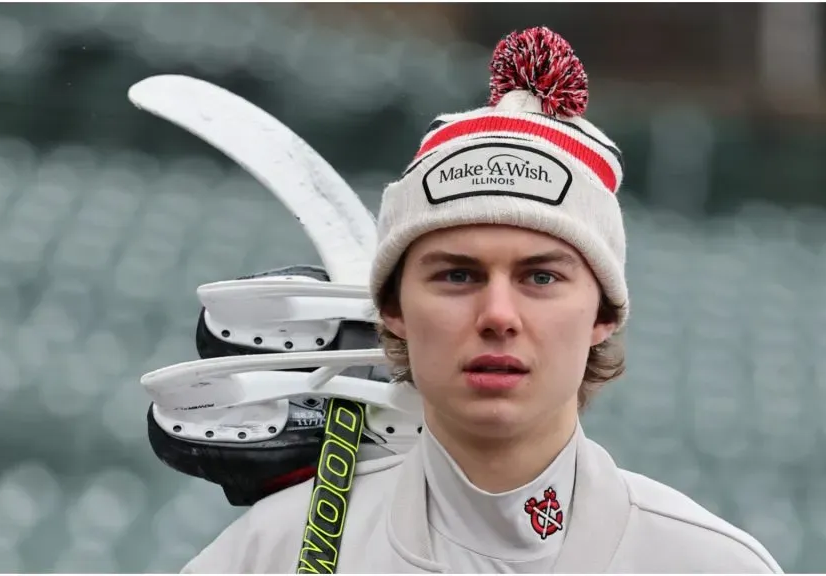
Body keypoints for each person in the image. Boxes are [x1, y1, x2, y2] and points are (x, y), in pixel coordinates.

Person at [181, 26, 782, 574]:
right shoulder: (269, 553)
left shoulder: (708, 564)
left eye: (541, 278)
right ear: (392, 309)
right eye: (458, 277)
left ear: (603, 312)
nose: (498, 315)